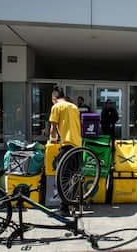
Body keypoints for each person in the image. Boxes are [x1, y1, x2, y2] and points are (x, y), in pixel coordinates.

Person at [49, 86, 82, 217]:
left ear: (54, 99)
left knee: (63, 176)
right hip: (78, 145)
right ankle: (72, 204)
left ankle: (64, 208)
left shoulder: (56, 107)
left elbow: (53, 127)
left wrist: (53, 139)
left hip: (67, 144)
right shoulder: (74, 107)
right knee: (74, 176)